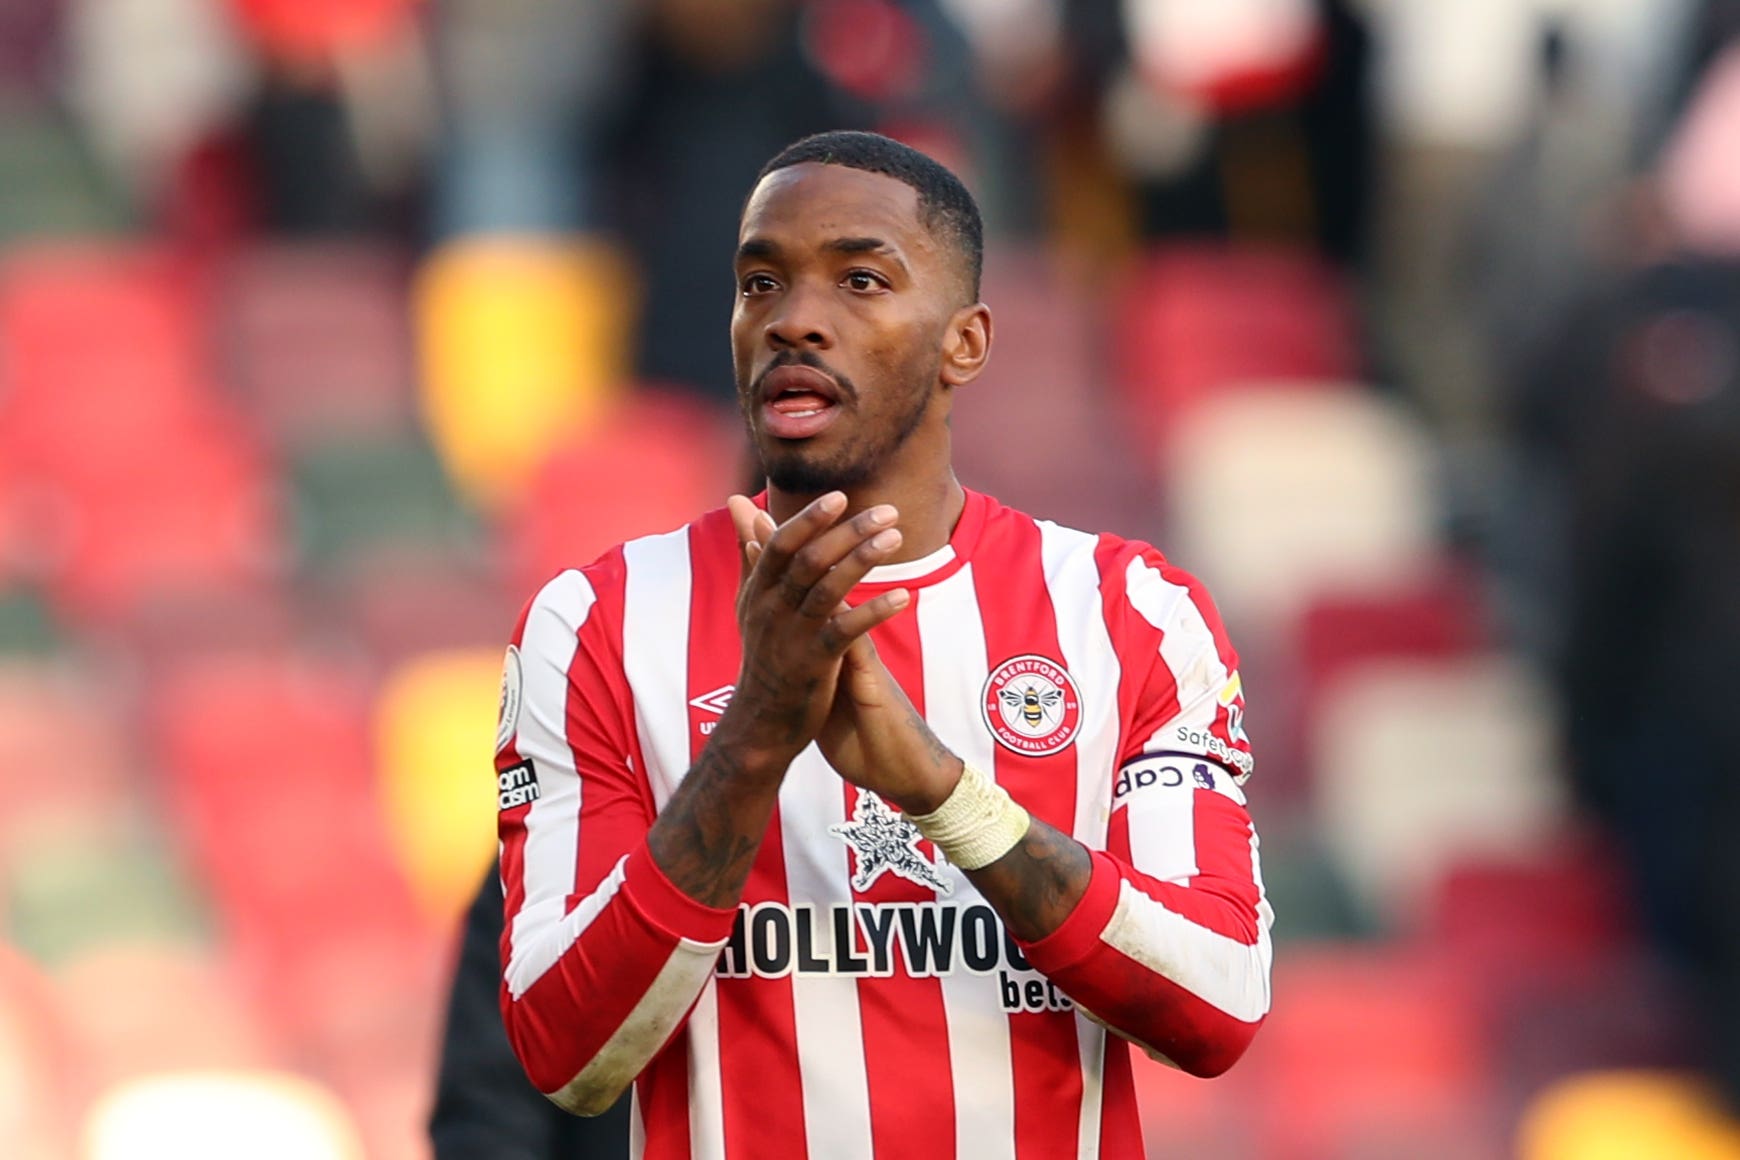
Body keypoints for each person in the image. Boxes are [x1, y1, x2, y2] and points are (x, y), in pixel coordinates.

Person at [493, 130, 1272, 1158]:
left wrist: (948, 794)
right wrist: (756, 738)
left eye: (860, 279)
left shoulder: (1128, 612)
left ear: (967, 343)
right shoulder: (595, 621)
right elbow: (568, 1052)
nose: (794, 321)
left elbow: (1218, 1002)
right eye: (759, 281)